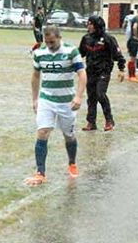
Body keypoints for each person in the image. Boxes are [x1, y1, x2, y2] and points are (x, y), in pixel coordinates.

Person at [25, 25, 87, 186]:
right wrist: (35, 99)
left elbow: (82, 74)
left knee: (68, 135)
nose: (49, 45)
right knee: (43, 132)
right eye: (47, 42)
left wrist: (79, 96)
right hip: (47, 99)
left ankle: (72, 162)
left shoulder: (71, 51)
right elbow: (35, 76)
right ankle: (40, 173)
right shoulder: (39, 53)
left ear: (59, 38)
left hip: (67, 101)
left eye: (52, 41)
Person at [79, 16, 126, 131]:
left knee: (100, 94)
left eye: (90, 24)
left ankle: (109, 120)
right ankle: (91, 122)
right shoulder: (86, 38)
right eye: (88, 23)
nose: (88, 26)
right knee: (91, 97)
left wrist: (121, 69)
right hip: (90, 71)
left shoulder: (108, 39)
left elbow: (118, 56)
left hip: (104, 71)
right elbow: (79, 53)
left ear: (97, 25)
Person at [126, 7, 138, 82]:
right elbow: (134, 28)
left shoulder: (134, 18)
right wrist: (136, 37)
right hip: (133, 40)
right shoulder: (137, 18)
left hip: (131, 40)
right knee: (133, 58)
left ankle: (132, 74)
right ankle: (131, 75)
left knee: (132, 58)